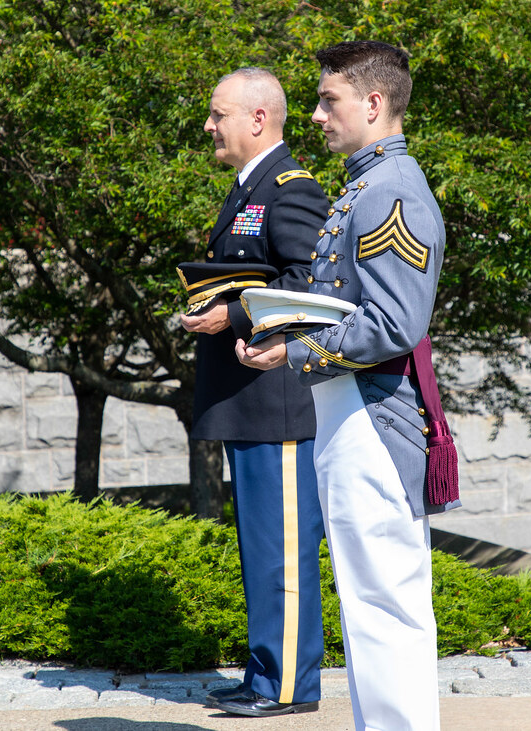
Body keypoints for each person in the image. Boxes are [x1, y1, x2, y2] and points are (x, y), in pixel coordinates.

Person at [235, 41, 461, 731]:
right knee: (370, 600)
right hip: (353, 411)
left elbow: (392, 322)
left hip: (373, 415)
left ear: (372, 103)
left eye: (327, 100)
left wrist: (295, 349)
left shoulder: (390, 190)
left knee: (382, 601)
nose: (315, 114)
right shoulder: (368, 184)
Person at [180, 67, 327, 718]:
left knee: (283, 554)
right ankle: (264, 674)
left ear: (258, 119)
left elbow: (307, 283)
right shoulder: (247, 190)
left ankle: (290, 685)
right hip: (250, 400)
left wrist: (232, 315)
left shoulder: (290, 190)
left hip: (279, 399)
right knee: (261, 550)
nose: (209, 125)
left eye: (218, 114)